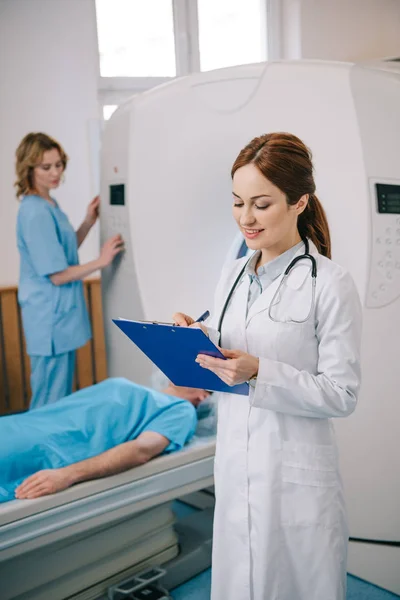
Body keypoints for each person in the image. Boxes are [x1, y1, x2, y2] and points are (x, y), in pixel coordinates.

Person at [173, 132, 362, 600]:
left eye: (261, 204)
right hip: (237, 464)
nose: (246, 218)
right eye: (237, 203)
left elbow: (343, 393)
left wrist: (261, 372)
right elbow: (230, 345)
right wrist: (195, 341)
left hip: (294, 473)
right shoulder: (233, 273)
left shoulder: (331, 284)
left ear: (300, 202)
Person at [15, 132, 124, 410]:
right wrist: (101, 261)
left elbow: (61, 253)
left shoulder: (49, 204)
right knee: (49, 401)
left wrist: (88, 221)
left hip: (59, 316)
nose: (55, 173)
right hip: (49, 319)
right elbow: (57, 274)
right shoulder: (35, 211)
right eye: (46, 167)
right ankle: (40, 453)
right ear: (29, 168)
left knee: (57, 397)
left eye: (58, 164)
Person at [0, 377, 209, 503]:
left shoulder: (181, 410)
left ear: (203, 396)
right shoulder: (139, 389)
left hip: (39, 447)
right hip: (19, 425)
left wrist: (67, 474)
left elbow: (141, 450)